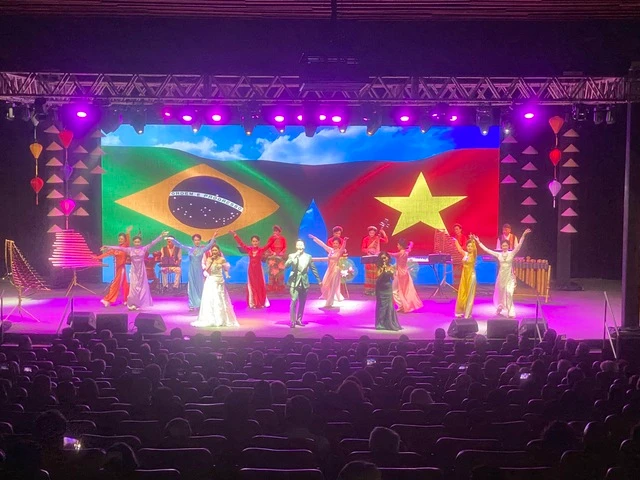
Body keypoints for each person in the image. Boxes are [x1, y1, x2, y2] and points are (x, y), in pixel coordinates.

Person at [102, 231, 168, 310]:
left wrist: (160, 236)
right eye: (135, 242)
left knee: (142, 288)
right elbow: (119, 248)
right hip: (133, 271)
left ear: (140, 242)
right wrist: (108, 246)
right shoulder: (130, 250)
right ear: (133, 242)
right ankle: (132, 304)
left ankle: (140, 304)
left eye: (138, 242)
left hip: (142, 271)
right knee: (133, 288)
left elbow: (152, 243)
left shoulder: (144, 249)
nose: (137, 243)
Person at [474, 228, 531, 317]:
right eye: (503, 246)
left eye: (506, 245)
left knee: (509, 293)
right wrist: (479, 242)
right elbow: (487, 250)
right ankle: (500, 307)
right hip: (501, 277)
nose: (504, 247)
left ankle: (510, 310)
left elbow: (519, 245)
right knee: (500, 294)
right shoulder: (499, 254)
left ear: (508, 246)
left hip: (510, 277)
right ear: (501, 246)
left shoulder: (511, 253)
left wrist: (523, 235)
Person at [167, 233, 217, 311]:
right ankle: (191, 305)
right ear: (193, 241)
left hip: (199, 270)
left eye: (198, 240)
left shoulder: (202, 249)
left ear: (200, 240)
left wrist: (213, 236)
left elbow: (210, 245)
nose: (197, 241)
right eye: (195, 240)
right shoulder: (189, 249)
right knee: (191, 287)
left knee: (199, 287)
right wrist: (173, 240)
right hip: (191, 270)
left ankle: (200, 304)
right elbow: (180, 245)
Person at [192, 244, 238, 328]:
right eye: (213, 250)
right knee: (212, 298)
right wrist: (210, 262)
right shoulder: (209, 259)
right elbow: (207, 270)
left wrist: (227, 275)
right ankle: (211, 319)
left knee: (220, 298)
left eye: (216, 250)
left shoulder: (222, 259)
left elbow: (225, 269)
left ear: (218, 251)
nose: (214, 252)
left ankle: (222, 319)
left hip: (220, 280)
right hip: (211, 280)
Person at [231, 230, 275, 308]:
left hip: (259, 270)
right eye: (253, 241)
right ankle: (253, 302)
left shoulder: (261, 250)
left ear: (258, 242)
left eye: (256, 241)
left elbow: (268, 245)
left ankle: (260, 301)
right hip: (251, 270)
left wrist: (274, 238)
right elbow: (241, 244)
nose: (255, 243)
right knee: (252, 285)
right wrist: (235, 235)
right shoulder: (249, 249)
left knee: (259, 285)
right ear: (251, 242)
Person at [285, 239, 321, 328]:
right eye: (298, 245)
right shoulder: (292, 255)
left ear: (304, 246)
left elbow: (313, 269)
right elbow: (286, 265)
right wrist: (294, 256)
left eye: (301, 245)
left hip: (304, 281)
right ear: (296, 246)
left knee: (302, 302)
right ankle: (292, 321)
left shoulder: (308, 257)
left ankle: (299, 320)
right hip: (294, 281)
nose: (299, 247)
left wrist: (319, 280)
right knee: (293, 300)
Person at [95, 226, 132, 307]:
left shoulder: (125, 247)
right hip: (118, 269)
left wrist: (127, 233)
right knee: (125, 285)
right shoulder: (116, 248)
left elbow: (128, 241)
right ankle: (126, 300)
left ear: (125, 240)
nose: (120, 240)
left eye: (122, 239)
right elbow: (107, 253)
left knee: (115, 285)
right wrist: (97, 257)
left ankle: (108, 300)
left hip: (121, 269)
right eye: (119, 239)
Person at [309, 234, 348, 308]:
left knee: (333, 286)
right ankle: (329, 299)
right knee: (325, 285)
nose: (335, 244)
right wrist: (315, 238)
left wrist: (345, 241)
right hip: (329, 270)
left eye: (336, 243)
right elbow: (323, 245)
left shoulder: (339, 251)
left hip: (336, 270)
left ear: (339, 244)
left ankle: (329, 302)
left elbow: (343, 247)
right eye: (334, 243)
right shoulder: (331, 250)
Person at [390, 239, 422, 313]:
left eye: (398, 245)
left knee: (394, 290)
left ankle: (401, 305)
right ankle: (403, 305)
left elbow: (391, 254)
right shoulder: (406, 252)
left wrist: (382, 253)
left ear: (401, 246)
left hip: (400, 273)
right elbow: (409, 248)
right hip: (405, 273)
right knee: (405, 289)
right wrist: (410, 244)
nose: (397, 246)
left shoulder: (399, 253)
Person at [375, 252, 402, 331]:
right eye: (382, 258)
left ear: (388, 258)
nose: (384, 259)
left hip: (388, 288)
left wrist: (392, 272)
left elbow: (392, 278)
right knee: (382, 307)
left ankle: (390, 323)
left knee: (390, 306)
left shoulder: (391, 267)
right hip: (380, 289)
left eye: (385, 257)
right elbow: (378, 277)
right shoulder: (378, 267)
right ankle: (380, 324)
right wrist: (383, 270)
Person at [453, 237, 478, 318]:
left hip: (471, 276)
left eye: (471, 246)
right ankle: (460, 311)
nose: (469, 248)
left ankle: (467, 313)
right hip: (464, 276)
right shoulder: (466, 254)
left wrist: (473, 241)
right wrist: (456, 241)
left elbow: (475, 250)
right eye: (468, 246)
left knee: (470, 295)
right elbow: (460, 249)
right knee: (462, 293)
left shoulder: (474, 255)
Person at [361, 225, 388, 295]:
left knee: (376, 274)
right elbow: (363, 249)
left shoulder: (377, 238)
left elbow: (386, 241)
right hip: (369, 258)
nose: (371, 234)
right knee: (369, 275)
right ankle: (368, 290)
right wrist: (368, 250)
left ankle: (376, 290)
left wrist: (383, 233)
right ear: (369, 232)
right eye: (370, 233)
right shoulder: (366, 239)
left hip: (376, 258)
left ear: (375, 233)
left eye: (373, 233)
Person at [265, 225, 288, 293]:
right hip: (272, 256)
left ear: (279, 232)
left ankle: (280, 286)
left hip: (280, 257)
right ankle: (271, 286)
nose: (275, 232)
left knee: (280, 272)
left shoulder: (282, 238)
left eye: (277, 231)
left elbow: (285, 247)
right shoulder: (271, 238)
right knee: (272, 272)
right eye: (274, 231)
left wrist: (282, 252)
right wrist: (272, 252)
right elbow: (268, 246)